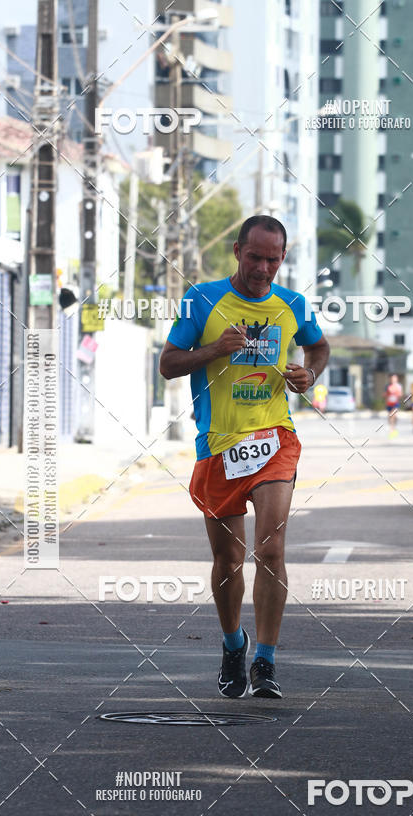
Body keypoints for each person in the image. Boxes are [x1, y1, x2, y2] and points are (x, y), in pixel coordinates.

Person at [159, 215, 330, 699]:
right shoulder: (202, 299)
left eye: (272, 260)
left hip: (274, 439)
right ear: (237, 250)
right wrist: (214, 349)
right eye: (254, 257)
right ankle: (234, 644)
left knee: (270, 549)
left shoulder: (293, 304)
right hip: (218, 443)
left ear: (283, 258)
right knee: (228, 558)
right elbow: (168, 363)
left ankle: (267, 662)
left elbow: (318, 346)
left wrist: (309, 375)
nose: (262, 268)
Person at [384, 373, 402, 437]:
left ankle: (393, 428)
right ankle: (392, 428)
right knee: (390, 416)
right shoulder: (387, 386)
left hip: (395, 403)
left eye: (395, 378)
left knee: (394, 414)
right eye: (392, 378)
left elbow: (400, 394)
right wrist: (388, 395)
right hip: (389, 403)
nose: (393, 379)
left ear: (396, 379)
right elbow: (384, 395)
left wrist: (395, 393)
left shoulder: (399, 386)